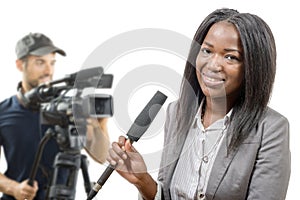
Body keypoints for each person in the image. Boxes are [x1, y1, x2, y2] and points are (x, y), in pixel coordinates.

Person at [106, 8, 291, 200]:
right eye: (207, 51)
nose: (212, 65)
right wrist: (143, 181)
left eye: (231, 57)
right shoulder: (176, 113)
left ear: (253, 67)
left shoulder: (270, 129)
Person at [0, 33, 110, 200]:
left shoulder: (68, 107)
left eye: (52, 63)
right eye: (40, 62)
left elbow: (101, 156)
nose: (48, 70)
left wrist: (99, 123)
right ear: (20, 65)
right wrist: (14, 188)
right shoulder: (3, 111)